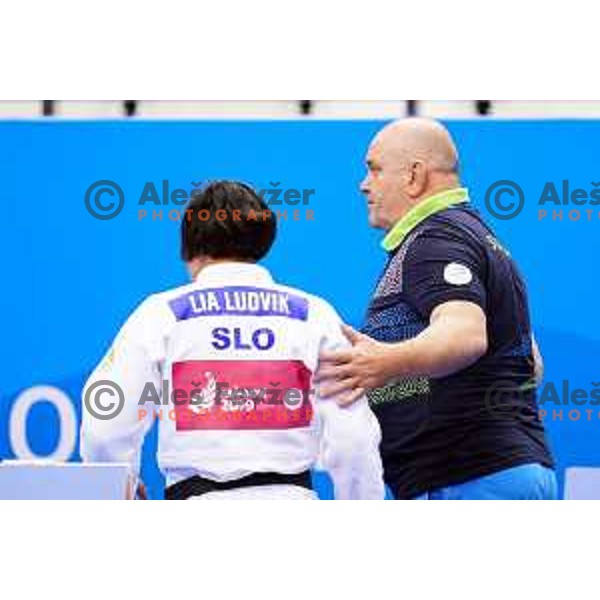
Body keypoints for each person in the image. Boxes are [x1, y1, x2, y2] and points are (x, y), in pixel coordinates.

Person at [80, 180, 384, 500]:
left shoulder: (160, 314)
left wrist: (117, 492)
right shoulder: (314, 315)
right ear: (264, 241)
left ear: (189, 249)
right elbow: (354, 441)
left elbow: (105, 426)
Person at [316, 118, 557, 500]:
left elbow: (466, 335)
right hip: (493, 471)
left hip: (470, 478)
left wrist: (386, 361)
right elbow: (531, 363)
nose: (364, 184)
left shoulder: (437, 239)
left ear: (414, 176)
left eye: (374, 169)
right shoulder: (474, 236)